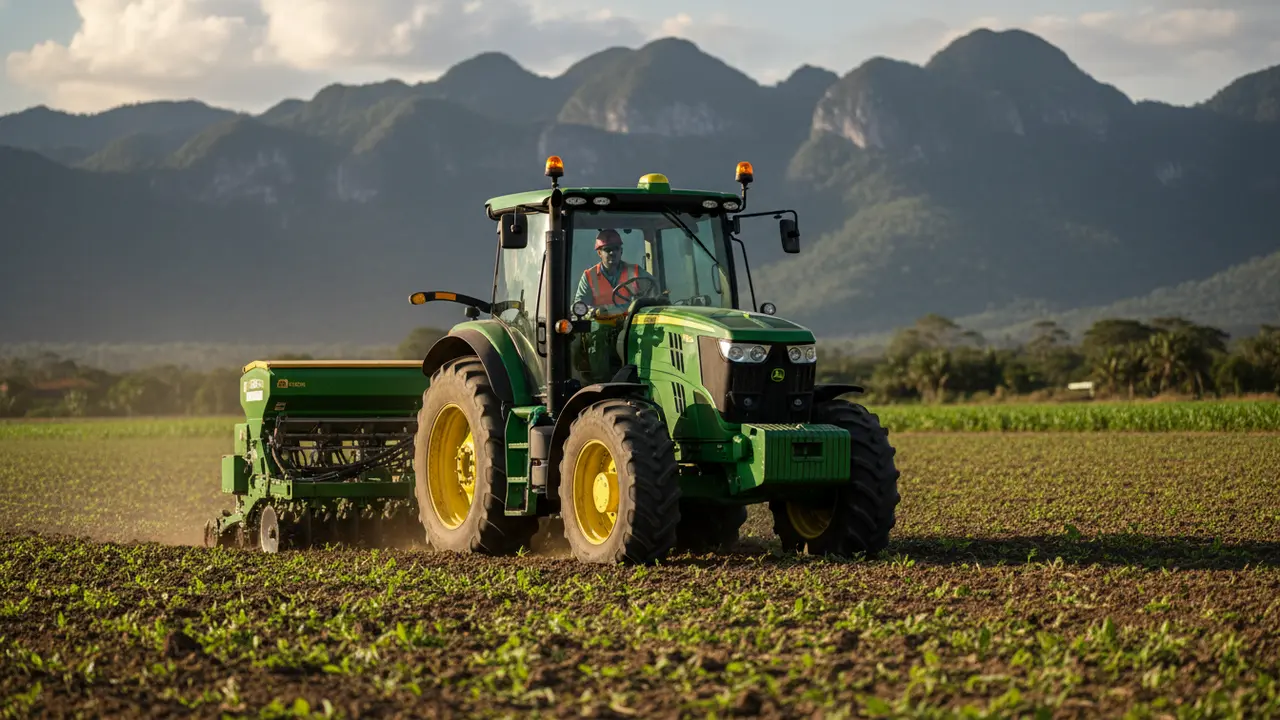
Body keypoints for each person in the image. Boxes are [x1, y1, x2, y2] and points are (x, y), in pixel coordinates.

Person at [573, 229, 657, 310]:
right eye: (607, 249)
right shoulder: (589, 276)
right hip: (600, 323)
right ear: (599, 253)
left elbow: (655, 294)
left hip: (631, 322)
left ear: (621, 251)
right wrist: (594, 311)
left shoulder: (635, 271)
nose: (612, 253)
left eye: (616, 248)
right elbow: (580, 306)